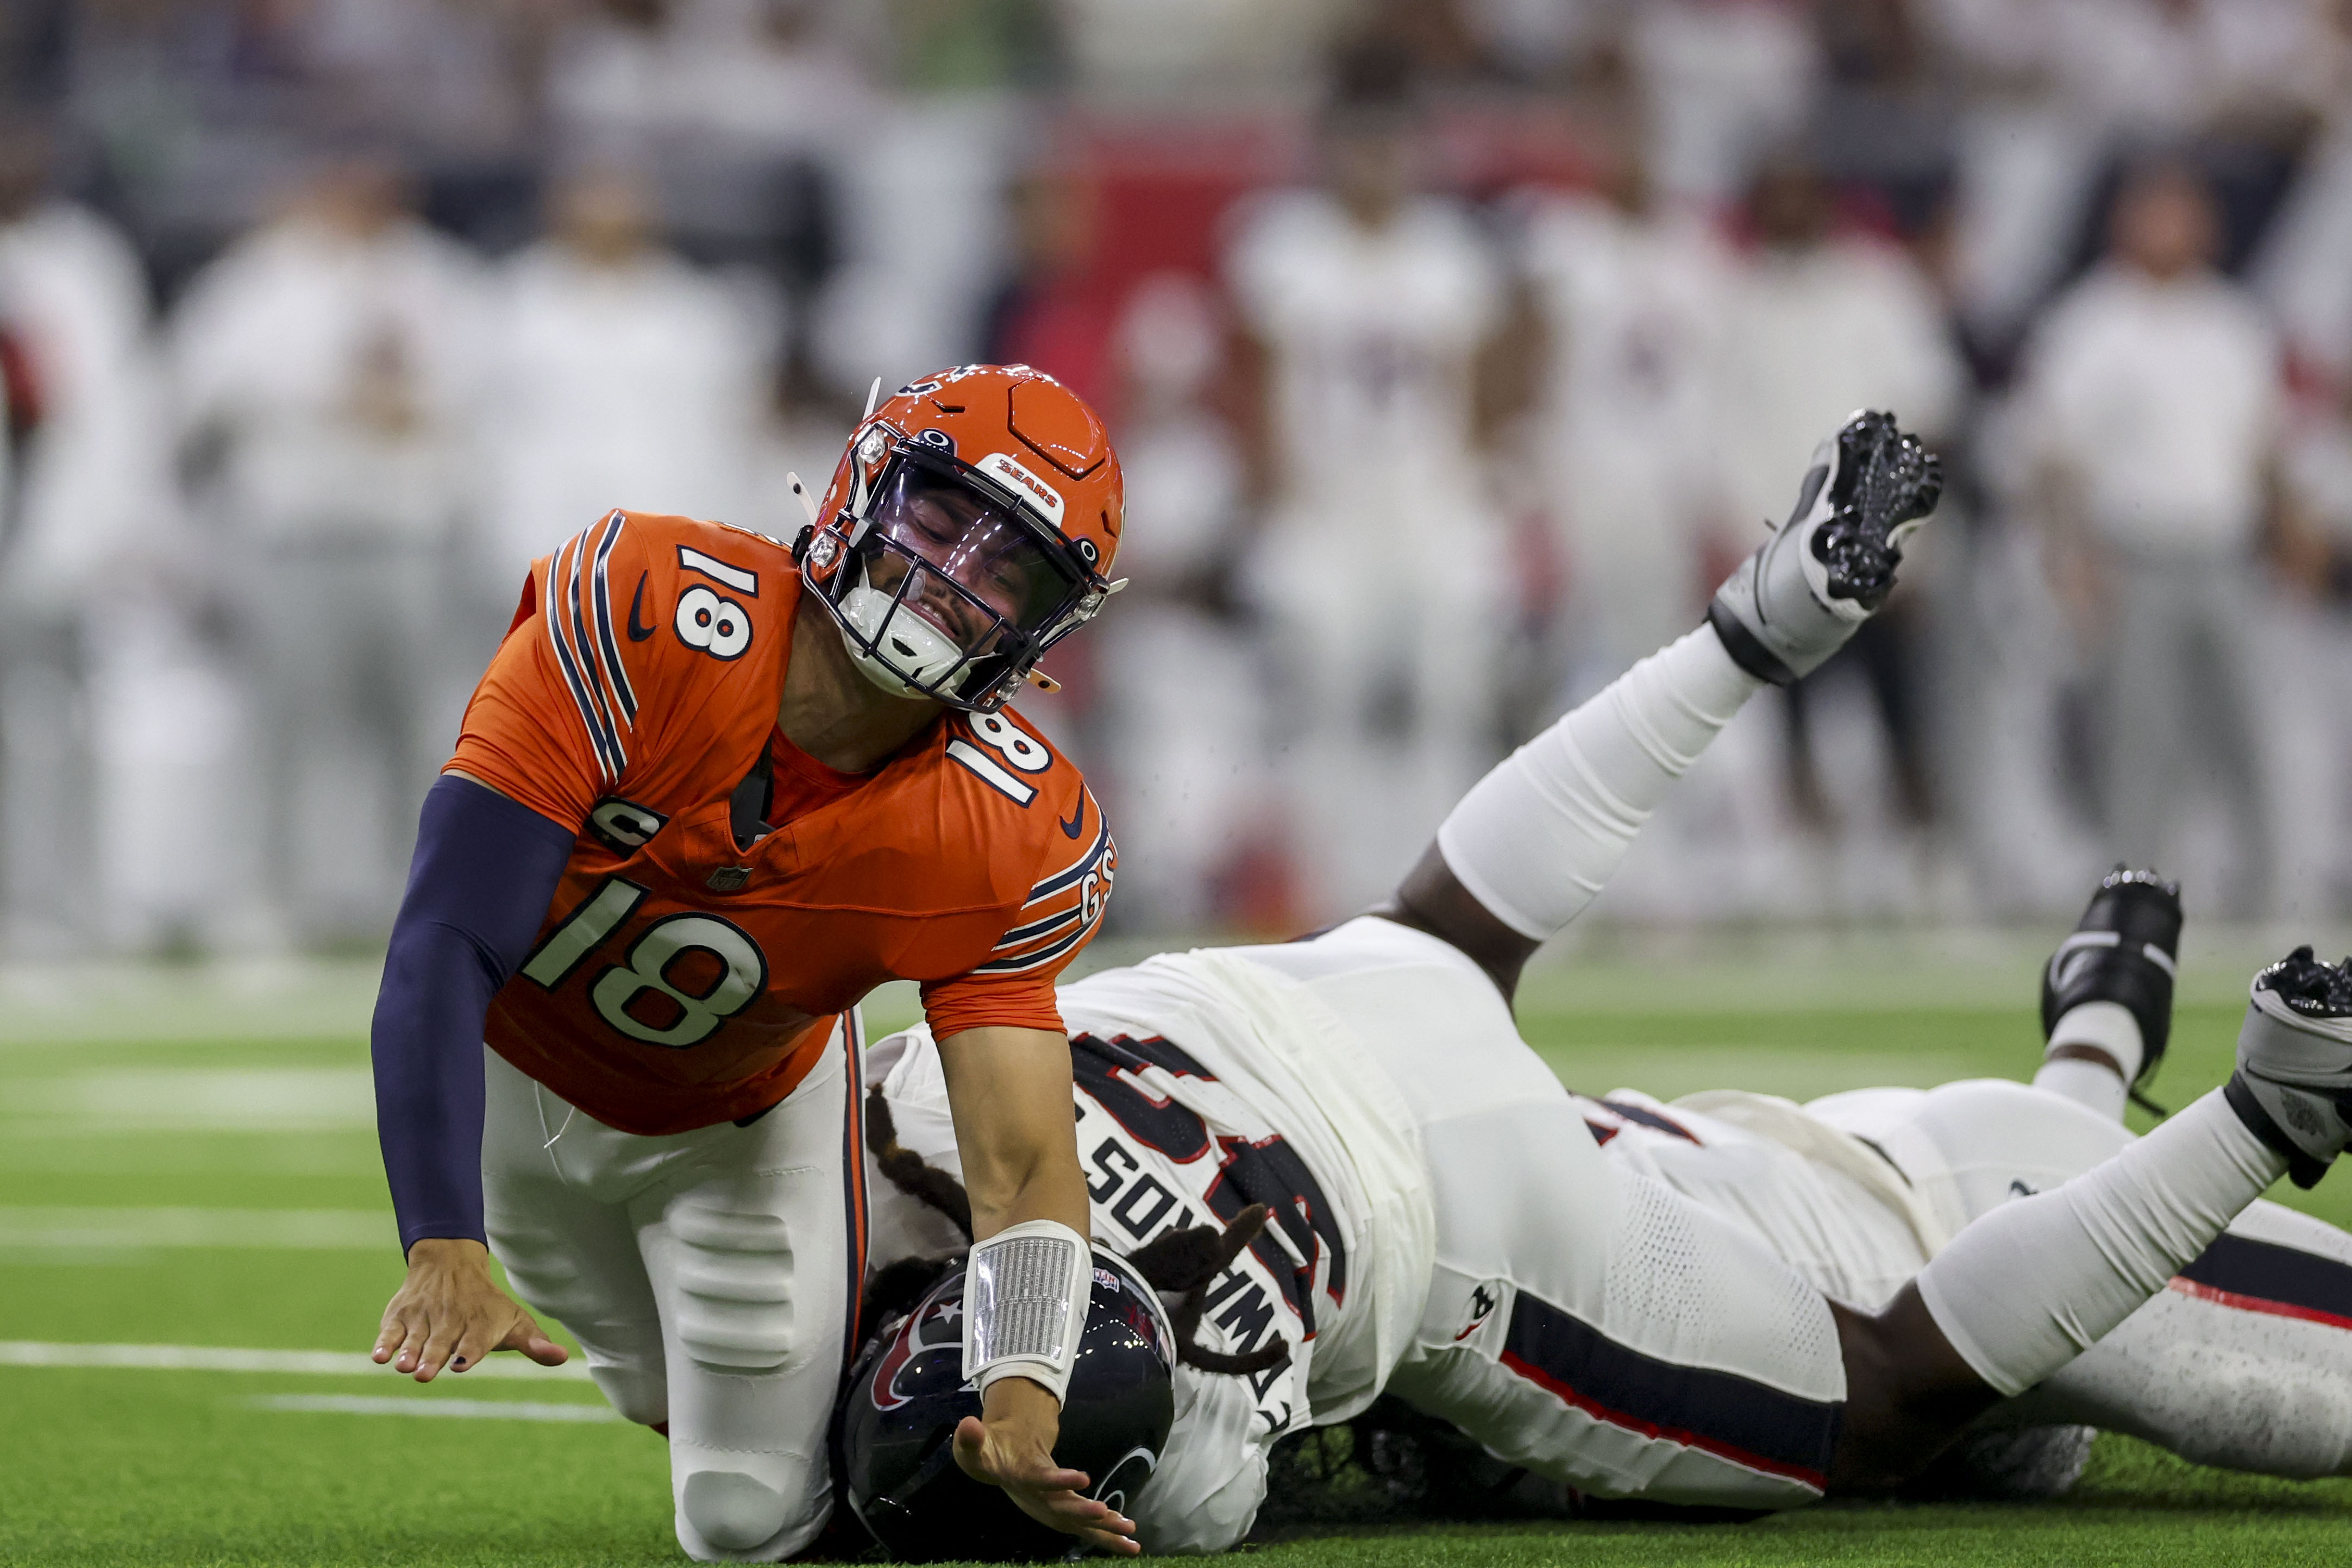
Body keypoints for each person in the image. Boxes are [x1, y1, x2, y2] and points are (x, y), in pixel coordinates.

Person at [836, 411, 2352, 1552]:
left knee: (1897, 1391)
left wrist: (2245, 1135)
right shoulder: (919, 1129)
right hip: (1589, 1119)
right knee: (1976, 1363)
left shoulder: (1180, 1396)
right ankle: (2093, 1033)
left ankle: (2213, 1097)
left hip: (1792, 1213)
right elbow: (1443, 936)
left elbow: (1213, 1478)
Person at [366, 365, 1139, 1561]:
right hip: (516, 1094)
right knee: (639, 1383)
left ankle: (887, 1330)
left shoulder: (1011, 824)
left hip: (744, 1124)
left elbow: (1026, 1157)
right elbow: (446, 935)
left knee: (744, 1515)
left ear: (1040, 629)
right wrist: (440, 1240)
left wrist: (1025, 1397)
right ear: (861, 486)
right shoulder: (645, 608)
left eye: (1007, 571)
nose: (951, 579)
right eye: (939, 520)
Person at [2018, 159, 2286, 916]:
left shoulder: (2233, 322)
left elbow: (2261, 448)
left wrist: (2284, 536)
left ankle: (2265, 890)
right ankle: (2134, 891)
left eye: (2183, 212)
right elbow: (2054, 455)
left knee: (2247, 729)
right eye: (2155, 212)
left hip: (2223, 554)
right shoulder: (2093, 322)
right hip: (2134, 554)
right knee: (2138, 737)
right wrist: (2068, 556)